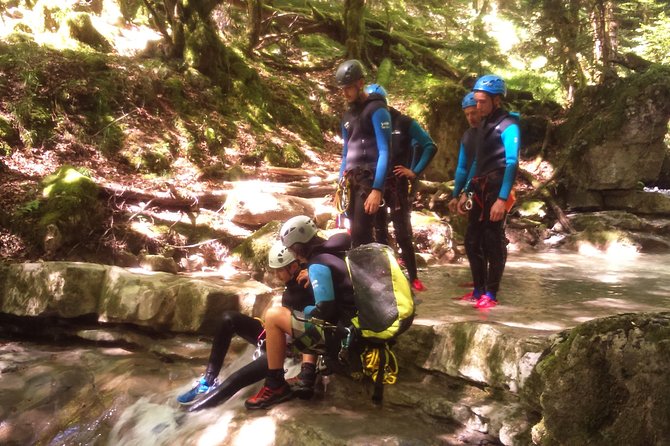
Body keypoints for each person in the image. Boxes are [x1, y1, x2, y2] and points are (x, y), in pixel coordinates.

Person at [176, 241, 314, 409]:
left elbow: (313, 324)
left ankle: (193, 411)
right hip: (274, 335)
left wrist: (307, 366)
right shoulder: (294, 283)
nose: (276, 275)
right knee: (228, 318)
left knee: (236, 378)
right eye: (274, 270)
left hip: (285, 350)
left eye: (279, 270)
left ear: (293, 267)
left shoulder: (309, 282)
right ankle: (208, 380)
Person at [245, 216, 356, 410]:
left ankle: (275, 385)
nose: (292, 254)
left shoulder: (318, 264)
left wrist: (302, 311)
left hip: (340, 338)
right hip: (353, 326)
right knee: (293, 314)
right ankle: (307, 373)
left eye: (291, 249)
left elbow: (323, 310)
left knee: (273, 316)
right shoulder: (335, 252)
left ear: (298, 246)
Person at [364, 84, 437, 292]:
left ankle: (413, 277)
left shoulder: (403, 122)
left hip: (398, 185)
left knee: (403, 232)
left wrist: (414, 171)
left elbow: (430, 145)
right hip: (375, 184)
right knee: (379, 231)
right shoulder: (368, 121)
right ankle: (387, 278)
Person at [463, 75, 520, 309]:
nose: (478, 106)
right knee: (471, 241)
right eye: (476, 101)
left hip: (497, 189)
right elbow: (478, 161)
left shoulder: (509, 125)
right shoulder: (484, 124)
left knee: (492, 241)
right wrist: (465, 191)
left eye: (483, 101)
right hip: (479, 189)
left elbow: (512, 162)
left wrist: (502, 199)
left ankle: (492, 293)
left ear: (497, 100)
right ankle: (478, 289)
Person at [336, 60, 392, 248]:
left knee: (362, 234)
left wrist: (377, 189)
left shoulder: (377, 110)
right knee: (353, 234)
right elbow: (345, 154)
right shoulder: (347, 117)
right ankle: (360, 275)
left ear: (360, 83)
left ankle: (372, 274)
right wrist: (339, 187)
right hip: (350, 181)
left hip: (368, 180)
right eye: (342, 89)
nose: (345, 93)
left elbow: (385, 150)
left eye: (349, 88)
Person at [449, 92, 483, 302]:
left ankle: (484, 286)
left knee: (484, 240)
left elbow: (477, 166)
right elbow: (463, 167)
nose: (471, 118)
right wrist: (455, 194)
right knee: (473, 240)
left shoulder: (487, 133)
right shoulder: (467, 136)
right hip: (474, 191)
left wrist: (466, 193)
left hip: (488, 191)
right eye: (467, 114)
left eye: (474, 113)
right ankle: (479, 282)